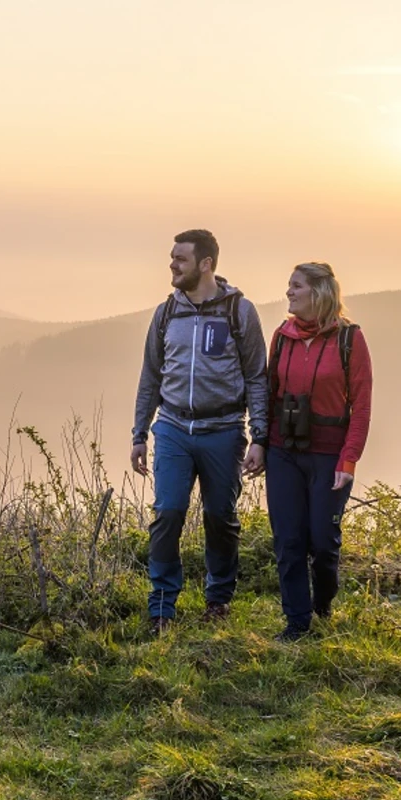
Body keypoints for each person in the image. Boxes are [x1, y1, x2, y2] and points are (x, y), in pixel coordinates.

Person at [131, 229, 269, 634]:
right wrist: (139, 433)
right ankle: (161, 608)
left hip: (223, 430)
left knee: (220, 517)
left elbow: (257, 377)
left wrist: (260, 436)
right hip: (172, 427)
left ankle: (218, 601)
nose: (172, 265)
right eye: (172, 257)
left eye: (181, 259)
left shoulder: (239, 312)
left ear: (206, 264)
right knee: (168, 513)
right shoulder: (166, 313)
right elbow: (150, 376)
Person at [265, 262, 373, 642]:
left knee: (323, 543)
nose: (289, 292)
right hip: (283, 451)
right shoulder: (282, 337)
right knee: (288, 540)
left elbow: (361, 406)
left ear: (319, 293)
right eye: (289, 285)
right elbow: (269, 396)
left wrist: (349, 459)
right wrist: (259, 444)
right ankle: (297, 622)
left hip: (329, 456)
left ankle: (323, 605)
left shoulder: (349, 339)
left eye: (296, 286)